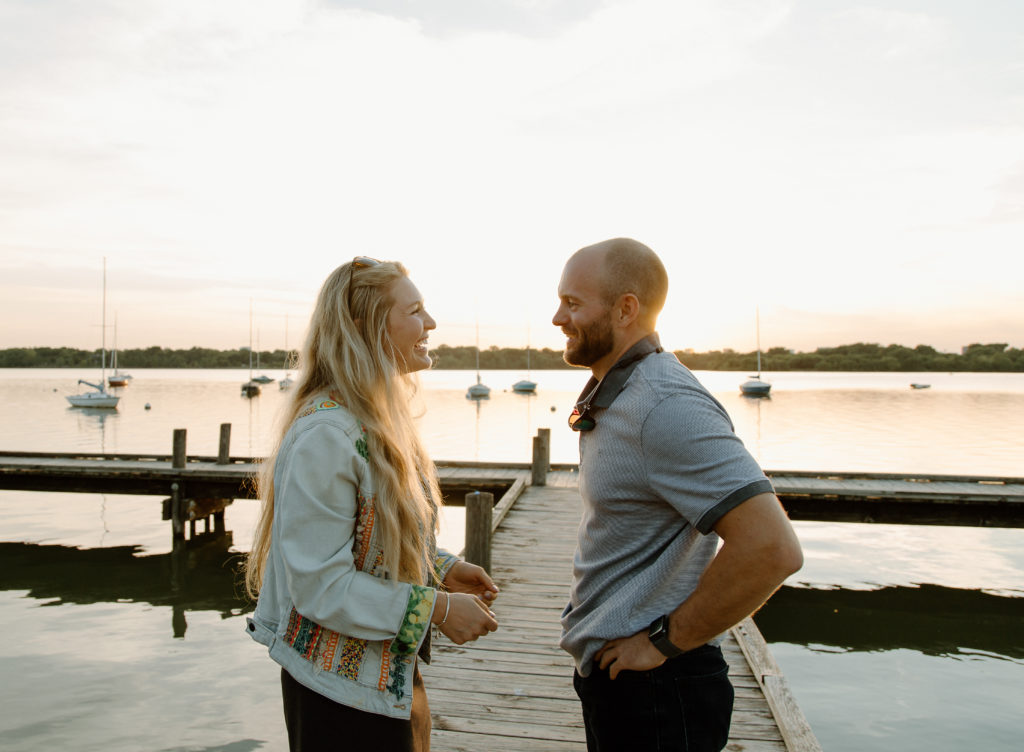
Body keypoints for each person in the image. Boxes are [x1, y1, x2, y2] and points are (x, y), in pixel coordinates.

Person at [552, 238, 803, 752]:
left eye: (573, 303)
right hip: (620, 683)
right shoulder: (623, 392)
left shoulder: (664, 404)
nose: (558, 316)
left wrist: (663, 642)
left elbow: (771, 548)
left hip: (659, 695)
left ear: (626, 309)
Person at [244, 257, 500, 752]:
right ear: (364, 325)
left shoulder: (373, 420)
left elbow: (367, 538)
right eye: (415, 311)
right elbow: (321, 586)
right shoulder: (327, 433)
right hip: (337, 698)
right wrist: (438, 609)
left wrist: (438, 566)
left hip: (386, 682)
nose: (430, 324)